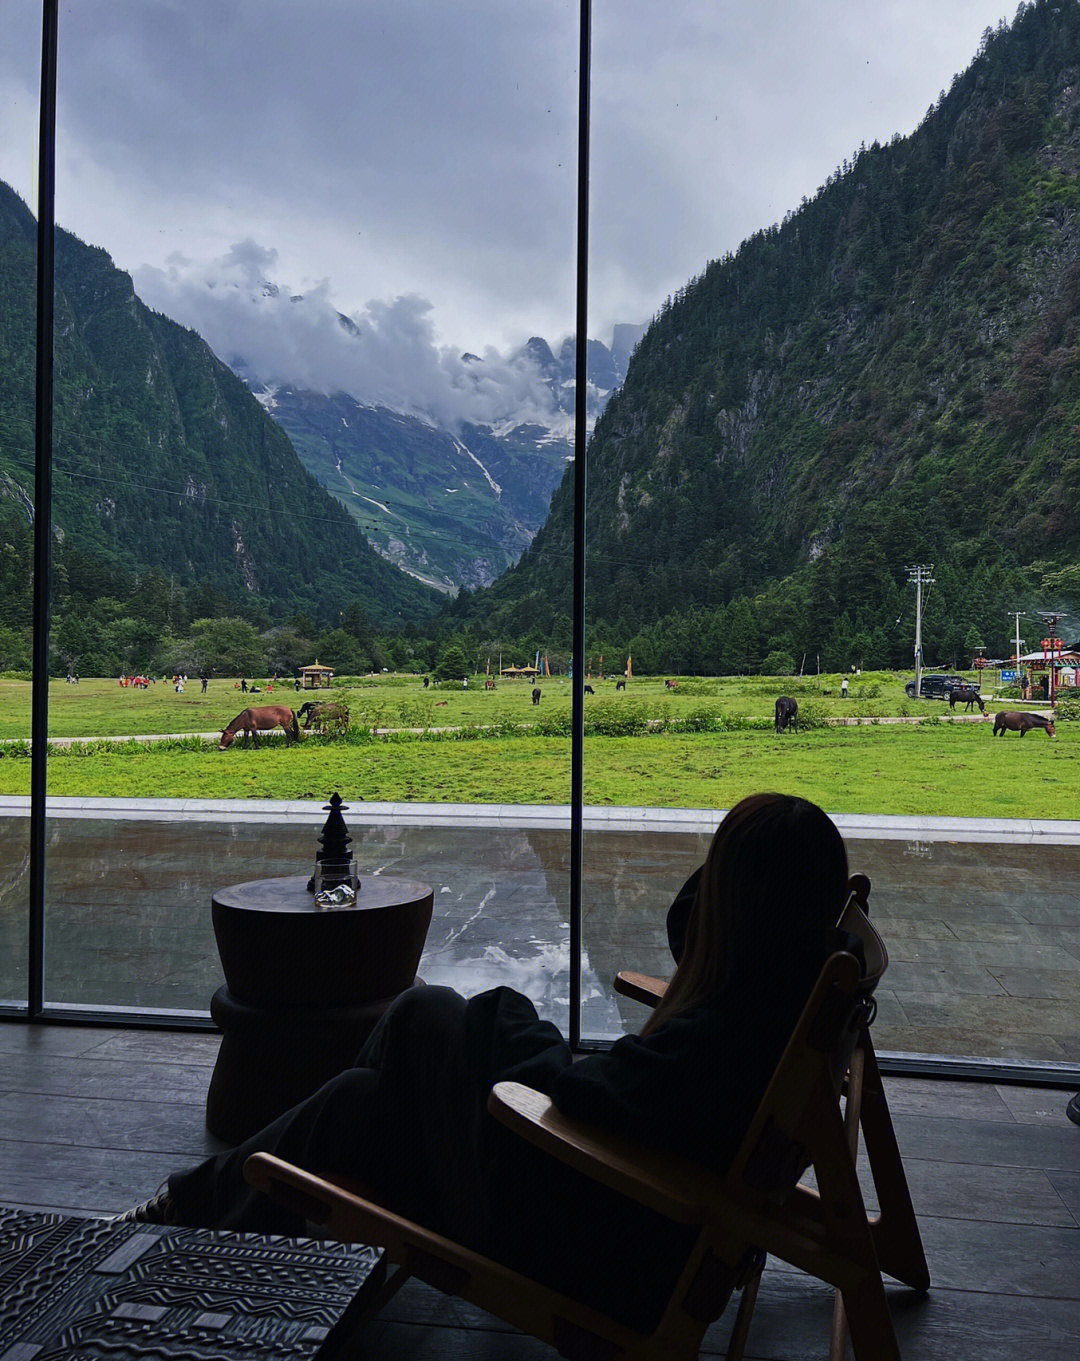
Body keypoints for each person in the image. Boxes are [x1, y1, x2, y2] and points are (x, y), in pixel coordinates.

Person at [118, 793, 853, 1333]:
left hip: (577, 1235)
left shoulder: (717, 1036)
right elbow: (625, 1068)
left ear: (742, 901)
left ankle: (181, 1215)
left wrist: (505, 1019)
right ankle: (185, 1222)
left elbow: (579, 1093)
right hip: (617, 1216)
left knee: (428, 1013)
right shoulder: (784, 988)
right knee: (356, 1100)